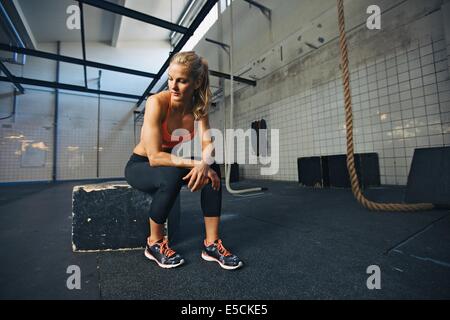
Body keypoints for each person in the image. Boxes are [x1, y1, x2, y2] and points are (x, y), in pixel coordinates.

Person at [124, 51, 243, 270]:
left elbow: (208, 144)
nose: (173, 86)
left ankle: (211, 244)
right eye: (170, 79)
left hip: (169, 163)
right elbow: (155, 157)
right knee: (173, 172)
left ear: (197, 82)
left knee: (212, 168)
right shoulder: (156, 103)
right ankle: (155, 243)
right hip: (141, 165)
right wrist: (195, 163)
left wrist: (205, 163)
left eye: (181, 81)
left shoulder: (198, 107)